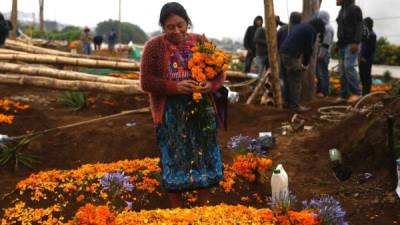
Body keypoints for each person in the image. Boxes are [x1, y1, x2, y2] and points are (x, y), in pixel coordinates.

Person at [140, 2, 225, 208]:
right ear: (163, 27)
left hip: (201, 108)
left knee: (204, 155)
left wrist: (210, 84)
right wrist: (175, 87)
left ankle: (201, 206)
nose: (176, 31)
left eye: (181, 25)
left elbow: (220, 72)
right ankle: (177, 209)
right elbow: (146, 82)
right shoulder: (154, 47)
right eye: (170, 27)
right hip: (171, 113)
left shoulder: (202, 42)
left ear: (188, 22)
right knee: (175, 157)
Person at [279, 18, 326, 113]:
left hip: (284, 52)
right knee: (296, 80)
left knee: (288, 79)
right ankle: (295, 106)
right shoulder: (311, 31)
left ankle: (288, 102)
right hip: (291, 54)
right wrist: (305, 64)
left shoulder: (303, 26)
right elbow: (308, 50)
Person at [336, 0, 363, 103]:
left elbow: (359, 25)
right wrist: (338, 44)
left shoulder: (355, 9)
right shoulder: (342, 11)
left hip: (351, 43)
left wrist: (356, 42)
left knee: (349, 67)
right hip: (343, 44)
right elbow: (341, 29)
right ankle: (344, 95)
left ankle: (356, 93)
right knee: (342, 71)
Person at [277, 12, 302, 106]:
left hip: (282, 56)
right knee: (295, 81)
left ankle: (286, 101)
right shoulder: (300, 29)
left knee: (285, 79)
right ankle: (295, 104)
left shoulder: (283, 29)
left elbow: (276, 41)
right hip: (294, 58)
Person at [316, 11, 335, 97]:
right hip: (320, 53)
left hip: (323, 54)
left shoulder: (328, 28)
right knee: (319, 73)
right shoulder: (323, 27)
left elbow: (325, 44)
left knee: (323, 73)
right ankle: (319, 90)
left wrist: (320, 55)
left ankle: (324, 92)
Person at [359, 17, 377, 95]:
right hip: (362, 57)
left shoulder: (372, 35)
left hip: (367, 59)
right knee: (362, 75)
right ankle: (364, 92)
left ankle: (367, 93)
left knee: (366, 75)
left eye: (364, 23)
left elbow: (371, 49)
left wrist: (364, 57)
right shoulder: (365, 34)